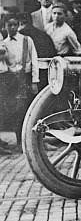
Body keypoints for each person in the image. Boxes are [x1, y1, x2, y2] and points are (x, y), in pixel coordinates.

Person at [0, 9, 39, 148]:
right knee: (14, 110)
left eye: (15, 25)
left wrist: (35, 81)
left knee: (26, 109)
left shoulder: (27, 40)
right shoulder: (3, 44)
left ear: (18, 25)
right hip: (11, 80)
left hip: (26, 78)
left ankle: (28, 142)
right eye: (9, 25)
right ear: (4, 27)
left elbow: (34, 61)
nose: (12, 28)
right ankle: (18, 141)